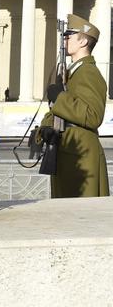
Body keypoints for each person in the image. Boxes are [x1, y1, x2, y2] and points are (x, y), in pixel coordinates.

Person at [40, 13, 109, 198]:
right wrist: (45, 128)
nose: (65, 39)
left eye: (69, 35)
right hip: (69, 152)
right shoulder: (72, 73)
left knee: (82, 218)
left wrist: (60, 97)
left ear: (83, 42)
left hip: (81, 157)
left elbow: (93, 115)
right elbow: (61, 112)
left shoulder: (88, 73)